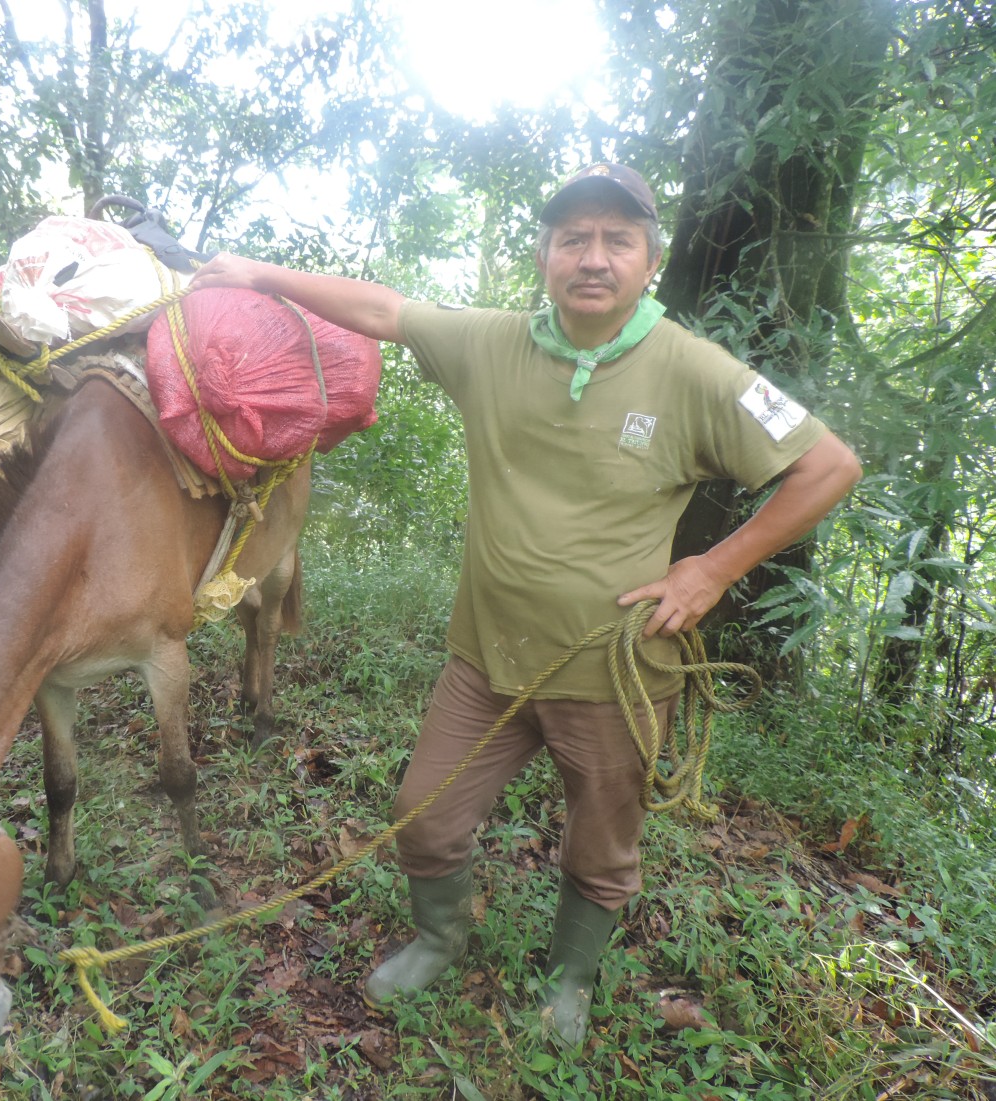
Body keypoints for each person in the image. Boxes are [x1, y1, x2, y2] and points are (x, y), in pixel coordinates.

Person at [189, 162, 862, 1047]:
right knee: (425, 814)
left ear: (649, 259)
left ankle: (570, 980)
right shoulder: (493, 343)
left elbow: (830, 464)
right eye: (572, 237)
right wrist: (260, 274)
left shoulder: (695, 370)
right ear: (544, 254)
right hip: (485, 662)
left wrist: (711, 570)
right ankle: (439, 936)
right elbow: (386, 311)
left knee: (601, 845)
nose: (593, 257)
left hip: (616, 674)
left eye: (617, 240)